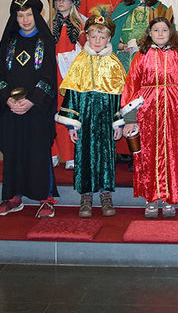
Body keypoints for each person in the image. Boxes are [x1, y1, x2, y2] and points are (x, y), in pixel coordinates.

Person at [0, 0, 58, 219]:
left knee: (38, 151)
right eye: (20, 15)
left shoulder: (46, 41)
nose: (25, 20)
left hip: (36, 107)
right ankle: (13, 197)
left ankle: (45, 199)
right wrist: (7, 99)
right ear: (14, 18)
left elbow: (48, 77)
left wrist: (31, 100)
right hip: (11, 108)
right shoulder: (9, 41)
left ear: (36, 15)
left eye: (29, 15)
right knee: (13, 152)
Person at [121, 17, 178, 218]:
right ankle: (151, 198)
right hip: (148, 111)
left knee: (173, 154)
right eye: (156, 30)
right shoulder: (141, 56)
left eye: (164, 30)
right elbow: (131, 86)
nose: (160, 33)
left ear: (171, 32)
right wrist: (130, 119)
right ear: (149, 33)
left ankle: (170, 198)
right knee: (149, 154)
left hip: (174, 111)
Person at [56, 15, 126, 218]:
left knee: (106, 156)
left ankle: (105, 195)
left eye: (101, 37)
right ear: (86, 37)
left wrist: (118, 122)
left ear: (109, 39)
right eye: (93, 36)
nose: (97, 41)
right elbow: (72, 94)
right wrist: (72, 126)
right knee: (84, 155)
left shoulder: (114, 64)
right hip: (84, 120)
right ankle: (85, 196)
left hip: (105, 121)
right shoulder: (79, 62)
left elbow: (119, 96)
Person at [109, 0, 171, 71]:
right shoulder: (122, 8)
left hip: (153, 61)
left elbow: (170, 38)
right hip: (125, 61)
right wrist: (123, 46)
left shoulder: (159, 9)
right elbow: (110, 37)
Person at [51, 0, 85, 170]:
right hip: (54, 74)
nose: (60, 2)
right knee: (54, 113)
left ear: (72, 2)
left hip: (72, 75)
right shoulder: (51, 25)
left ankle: (71, 154)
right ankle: (55, 152)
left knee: (70, 113)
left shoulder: (80, 25)